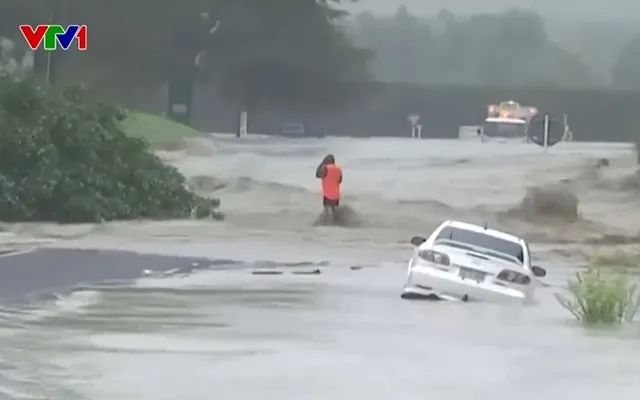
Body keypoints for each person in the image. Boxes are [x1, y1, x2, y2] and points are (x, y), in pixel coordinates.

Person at [315, 154, 342, 222]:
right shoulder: (338, 169)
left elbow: (317, 175)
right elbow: (340, 180)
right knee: (334, 210)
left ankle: (329, 223)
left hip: (327, 194)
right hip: (336, 194)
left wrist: (321, 164)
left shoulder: (325, 168)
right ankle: (335, 222)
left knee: (327, 210)